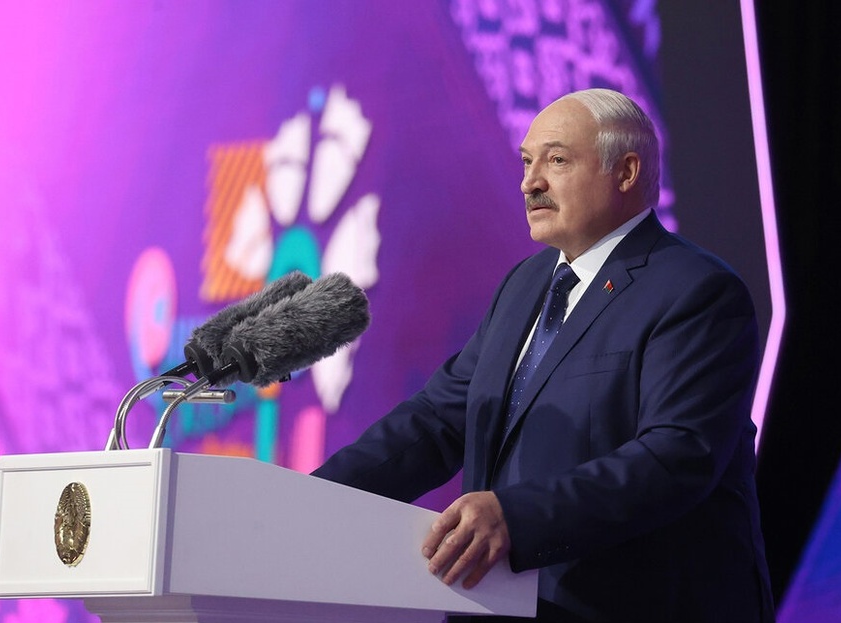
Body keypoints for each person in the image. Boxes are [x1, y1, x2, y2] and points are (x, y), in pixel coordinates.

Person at [312, 88, 775, 622]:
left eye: (556, 161)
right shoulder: (526, 284)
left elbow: (677, 456)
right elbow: (439, 420)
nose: (530, 182)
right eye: (527, 162)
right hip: (502, 604)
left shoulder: (695, 291)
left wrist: (517, 519)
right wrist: (313, 497)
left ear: (625, 172)